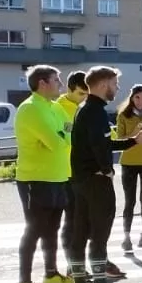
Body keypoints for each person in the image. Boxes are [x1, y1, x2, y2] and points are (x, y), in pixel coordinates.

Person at [67, 67, 142, 283]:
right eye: (115, 83)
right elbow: (99, 147)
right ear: (103, 84)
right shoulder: (95, 111)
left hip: (80, 181)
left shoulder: (84, 108)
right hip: (96, 182)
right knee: (99, 236)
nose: (117, 88)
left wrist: (134, 141)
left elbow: (103, 143)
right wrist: (106, 169)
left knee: (80, 234)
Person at [11, 65, 74, 283]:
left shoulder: (55, 107)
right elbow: (56, 142)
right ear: (42, 83)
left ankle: (51, 275)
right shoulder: (29, 108)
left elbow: (70, 131)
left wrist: (62, 134)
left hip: (58, 177)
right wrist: (63, 135)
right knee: (34, 229)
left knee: (52, 229)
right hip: (34, 179)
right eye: (56, 80)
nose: (61, 84)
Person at [115, 84, 142, 255]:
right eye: (137, 97)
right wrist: (136, 132)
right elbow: (120, 139)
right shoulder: (123, 115)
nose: (140, 101)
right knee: (129, 200)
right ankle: (126, 237)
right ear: (131, 98)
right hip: (129, 162)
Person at [56, 70, 89, 250]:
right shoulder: (57, 108)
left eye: (87, 94)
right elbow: (59, 137)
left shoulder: (87, 107)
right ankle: (71, 257)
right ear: (69, 89)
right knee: (72, 216)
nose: (84, 98)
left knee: (85, 216)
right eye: (81, 93)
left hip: (85, 172)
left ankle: (85, 255)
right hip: (67, 172)